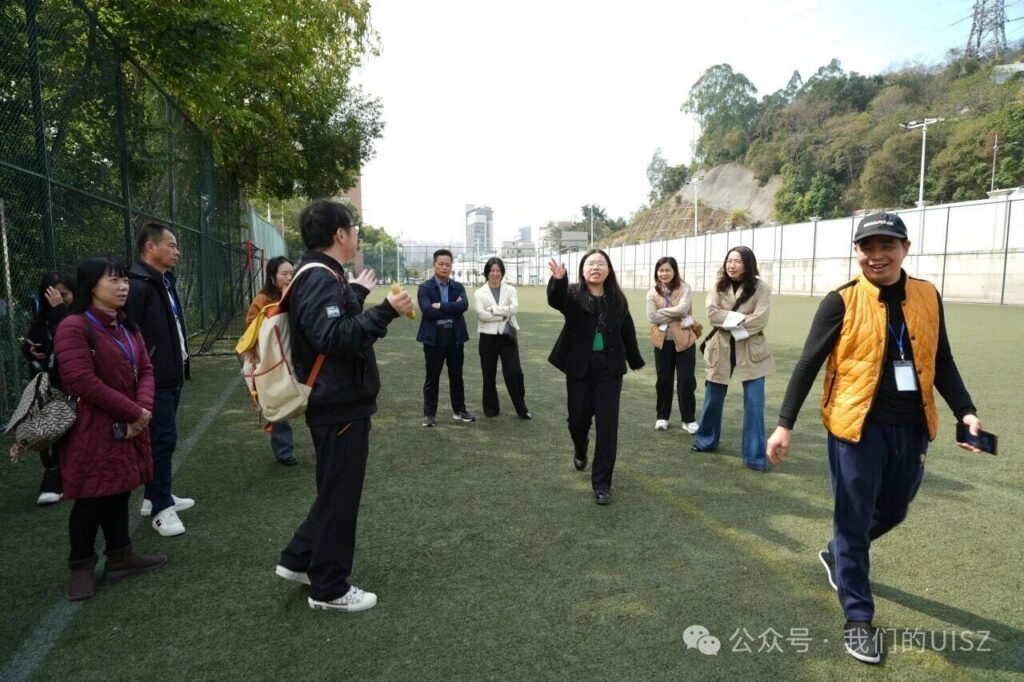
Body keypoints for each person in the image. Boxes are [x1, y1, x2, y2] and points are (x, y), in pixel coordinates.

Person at [766, 213, 984, 665]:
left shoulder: (927, 295)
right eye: (868, 247)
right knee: (854, 518)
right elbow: (807, 363)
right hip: (855, 428)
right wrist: (785, 424)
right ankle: (858, 619)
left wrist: (965, 411)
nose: (877, 255)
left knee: (895, 509)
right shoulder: (841, 300)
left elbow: (941, 359)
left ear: (906, 248)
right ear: (857, 252)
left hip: (912, 426)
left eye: (887, 245)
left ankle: (839, 553)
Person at [274, 199, 414, 612]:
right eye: (353, 229)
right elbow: (333, 337)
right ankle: (329, 587)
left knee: (334, 489)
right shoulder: (319, 275)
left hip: (338, 399)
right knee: (340, 495)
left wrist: (355, 294)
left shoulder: (321, 273)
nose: (356, 236)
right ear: (340, 234)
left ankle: (299, 558)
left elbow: (329, 323)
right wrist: (386, 311)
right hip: (337, 403)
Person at [52, 258, 165, 600]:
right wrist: (134, 412)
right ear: (91, 286)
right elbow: (80, 380)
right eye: (113, 281)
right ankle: (81, 565)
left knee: (119, 489)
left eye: (124, 280)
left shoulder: (126, 324)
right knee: (91, 496)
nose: (123, 286)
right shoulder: (74, 326)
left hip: (128, 425)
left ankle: (120, 555)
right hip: (92, 428)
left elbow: (146, 369)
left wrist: (142, 410)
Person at [547, 250, 644, 505]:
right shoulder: (572, 294)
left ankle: (602, 484)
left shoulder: (617, 299)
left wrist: (634, 359)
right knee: (577, 421)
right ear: (582, 270)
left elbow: (627, 330)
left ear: (608, 270)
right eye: (591, 264)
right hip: (579, 368)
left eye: (601, 263)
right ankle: (580, 447)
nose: (596, 267)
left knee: (607, 427)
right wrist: (558, 280)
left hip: (609, 370)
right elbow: (555, 300)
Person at [124, 223, 194, 537]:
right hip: (153, 379)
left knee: (163, 440)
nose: (176, 252)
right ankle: (160, 508)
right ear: (150, 247)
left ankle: (156, 496)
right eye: (171, 245)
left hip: (170, 373)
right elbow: (129, 336)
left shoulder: (163, 281)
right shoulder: (137, 286)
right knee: (162, 440)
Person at [692, 246, 775, 472]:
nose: (732, 265)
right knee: (713, 397)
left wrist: (729, 320)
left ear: (748, 264)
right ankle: (706, 439)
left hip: (751, 348)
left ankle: (755, 456)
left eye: (737, 261)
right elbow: (712, 315)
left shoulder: (761, 288)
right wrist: (742, 317)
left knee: (755, 403)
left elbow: (760, 320)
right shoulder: (718, 285)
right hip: (721, 346)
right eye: (729, 260)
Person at [19, 272, 75, 505]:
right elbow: (31, 341)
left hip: (72, 385)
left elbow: (72, 337)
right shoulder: (42, 319)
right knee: (47, 430)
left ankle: (60, 477)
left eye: (64, 294)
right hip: (46, 386)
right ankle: (53, 475)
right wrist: (29, 349)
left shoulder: (77, 315)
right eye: (52, 296)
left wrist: (60, 309)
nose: (58, 299)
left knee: (69, 430)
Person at [245, 256, 298, 465]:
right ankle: (285, 451)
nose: (289, 277)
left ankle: (323, 445)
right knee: (278, 404)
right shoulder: (263, 299)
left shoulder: (298, 294)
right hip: (273, 362)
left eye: (291, 273)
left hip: (296, 356)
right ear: (272, 276)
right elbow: (251, 326)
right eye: (284, 273)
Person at [416, 249, 474, 427]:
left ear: (451, 267)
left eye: (447, 264)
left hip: (455, 336)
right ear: (434, 265)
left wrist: (441, 305)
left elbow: (464, 305)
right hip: (434, 337)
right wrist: (452, 308)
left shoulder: (458, 287)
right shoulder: (425, 288)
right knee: (432, 377)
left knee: (456, 376)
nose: (444, 267)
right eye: (441, 264)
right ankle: (429, 415)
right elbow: (428, 311)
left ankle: (459, 410)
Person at [645, 256, 698, 434]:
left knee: (686, 380)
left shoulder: (684, 288)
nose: (664, 273)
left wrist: (662, 312)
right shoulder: (652, 292)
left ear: (674, 271)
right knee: (664, 380)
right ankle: (662, 417)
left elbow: (683, 309)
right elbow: (651, 316)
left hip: (684, 341)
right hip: (662, 341)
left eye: (668, 270)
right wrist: (675, 315)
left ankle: (688, 419)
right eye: (661, 270)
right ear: (656, 272)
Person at [473, 257, 530, 419]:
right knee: (488, 373)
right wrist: (503, 313)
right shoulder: (479, 293)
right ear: (487, 273)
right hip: (487, 338)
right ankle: (491, 408)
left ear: (502, 272)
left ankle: (521, 408)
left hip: (507, 335)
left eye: (498, 270)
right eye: (492, 270)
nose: (495, 273)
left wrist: (493, 310)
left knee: (514, 372)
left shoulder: (510, 289)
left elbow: (514, 308)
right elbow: (481, 315)